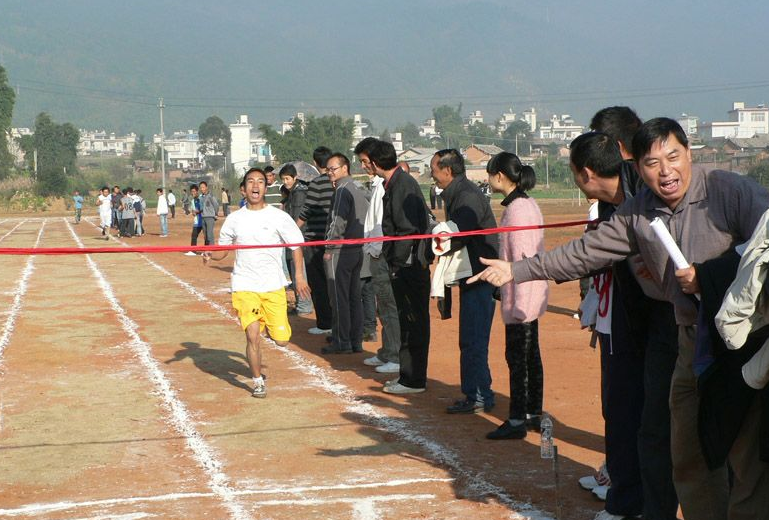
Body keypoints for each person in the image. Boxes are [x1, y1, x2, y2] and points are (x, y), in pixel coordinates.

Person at [469, 118, 769, 520]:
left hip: (745, 342)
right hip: (690, 344)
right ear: (637, 167)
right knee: (688, 455)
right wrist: (517, 270)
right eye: (652, 162)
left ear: (689, 154)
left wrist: (710, 275)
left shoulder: (728, 191)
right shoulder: (637, 212)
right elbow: (584, 252)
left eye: (673, 156)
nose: (665, 171)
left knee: (748, 460)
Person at [202, 167, 310, 398]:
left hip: (273, 286)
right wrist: (211, 254)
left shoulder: (279, 217)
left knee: (282, 340)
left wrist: (299, 276)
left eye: (260, 182)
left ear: (265, 187)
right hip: (245, 285)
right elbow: (224, 251)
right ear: (243, 189)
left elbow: (296, 246)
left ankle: (271, 326)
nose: (255, 186)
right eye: (250, 182)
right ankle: (258, 381)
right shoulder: (234, 219)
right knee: (252, 335)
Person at [483, 153, 548, 440]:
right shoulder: (524, 204)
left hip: (522, 295)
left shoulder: (518, 209)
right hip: (526, 293)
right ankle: (533, 412)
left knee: (518, 357)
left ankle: (517, 418)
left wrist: (518, 300)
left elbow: (522, 257)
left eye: (489, 174)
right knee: (530, 356)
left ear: (500, 176)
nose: (488, 180)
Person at [431, 148, 499, 414]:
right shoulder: (457, 193)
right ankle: (476, 392)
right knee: (470, 338)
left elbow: (460, 233)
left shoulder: (467, 196)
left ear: (447, 171)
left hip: (480, 278)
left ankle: (480, 395)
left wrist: (434, 237)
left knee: (473, 339)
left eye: (434, 169)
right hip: (470, 276)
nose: (431, 175)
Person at [369, 140, 432, 395]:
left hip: (409, 266)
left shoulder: (403, 185)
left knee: (413, 321)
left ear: (374, 163)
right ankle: (407, 376)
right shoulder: (393, 184)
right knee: (407, 322)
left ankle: (414, 379)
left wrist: (395, 263)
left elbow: (406, 230)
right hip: (403, 264)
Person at [355, 137, 402, 374]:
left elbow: (388, 225)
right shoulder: (378, 185)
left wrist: (381, 250)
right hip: (375, 253)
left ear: (375, 161)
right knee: (382, 305)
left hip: (384, 254)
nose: (363, 166)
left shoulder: (392, 186)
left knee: (390, 305)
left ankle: (395, 354)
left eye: (365, 161)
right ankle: (387, 350)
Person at [321, 153, 369, 354]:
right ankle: (355, 340)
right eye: (328, 169)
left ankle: (342, 341)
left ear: (344, 168)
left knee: (339, 297)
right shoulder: (359, 187)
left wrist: (329, 247)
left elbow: (337, 223)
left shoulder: (341, 190)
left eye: (333, 169)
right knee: (353, 297)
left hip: (341, 250)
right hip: (360, 248)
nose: (330, 173)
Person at [297, 146, 335, 335]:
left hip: (315, 239)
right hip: (335, 240)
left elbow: (307, 210)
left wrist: (294, 230)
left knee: (318, 283)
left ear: (315, 163)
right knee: (334, 282)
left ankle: (324, 323)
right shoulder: (339, 182)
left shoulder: (317, 183)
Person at [280, 163, 313, 316]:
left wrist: (291, 233)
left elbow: (299, 217)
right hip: (293, 236)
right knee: (294, 269)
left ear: (295, 177)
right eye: (283, 179)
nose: (285, 182)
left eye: (287, 178)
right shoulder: (292, 193)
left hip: (300, 237)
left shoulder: (299, 193)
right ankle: (300, 303)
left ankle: (304, 306)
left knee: (300, 271)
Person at [198, 181, 219, 245]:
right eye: (201, 188)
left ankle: (211, 249)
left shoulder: (211, 196)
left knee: (209, 234)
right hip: (203, 217)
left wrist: (215, 214)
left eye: (203, 187)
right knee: (205, 235)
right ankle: (206, 249)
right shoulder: (201, 197)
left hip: (210, 217)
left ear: (206, 187)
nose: (202, 189)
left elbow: (216, 205)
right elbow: (201, 208)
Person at [185, 184, 203, 256]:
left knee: (206, 236)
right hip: (197, 221)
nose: (193, 193)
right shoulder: (192, 200)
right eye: (192, 191)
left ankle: (206, 251)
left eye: (194, 191)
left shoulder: (202, 198)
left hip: (203, 220)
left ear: (197, 191)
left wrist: (197, 211)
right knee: (194, 235)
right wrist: (193, 212)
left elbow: (204, 208)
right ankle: (193, 251)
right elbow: (193, 210)